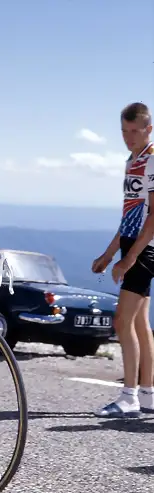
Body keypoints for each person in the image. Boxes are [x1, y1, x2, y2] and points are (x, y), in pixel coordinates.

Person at [92, 102, 154, 417]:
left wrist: (128, 259)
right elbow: (130, 213)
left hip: (145, 248)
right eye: (124, 131)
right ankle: (146, 395)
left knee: (122, 321)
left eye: (135, 131)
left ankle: (128, 397)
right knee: (141, 323)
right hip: (134, 244)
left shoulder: (153, 158)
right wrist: (108, 252)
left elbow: (153, 217)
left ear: (149, 128)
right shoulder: (133, 159)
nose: (129, 137)